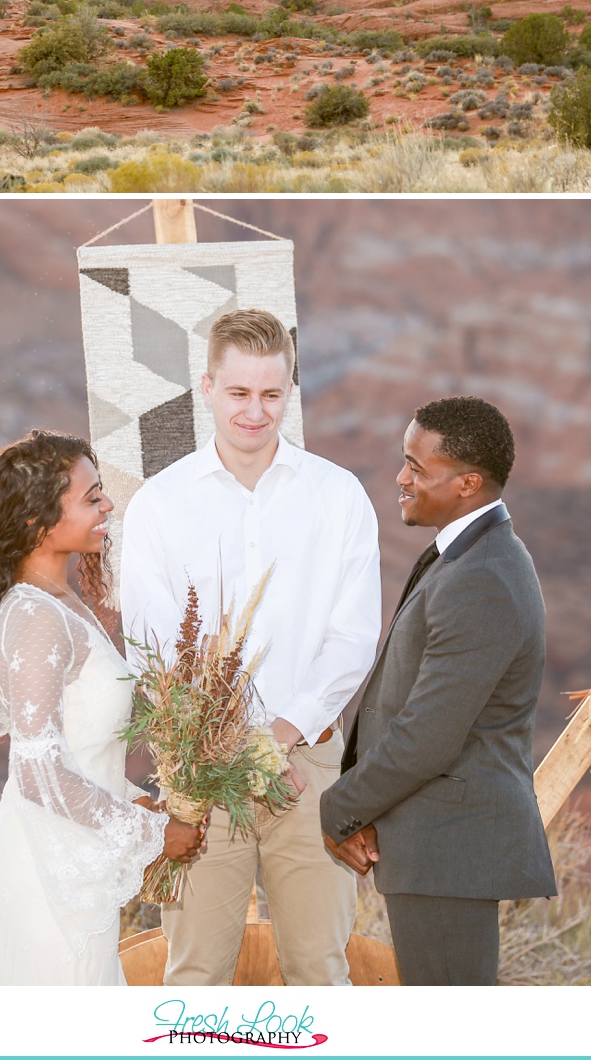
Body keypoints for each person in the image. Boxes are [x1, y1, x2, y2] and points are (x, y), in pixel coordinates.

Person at [119, 305, 381, 986]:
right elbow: (151, 646)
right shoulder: (159, 503)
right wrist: (230, 745)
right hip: (200, 774)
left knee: (320, 970)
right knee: (195, 971)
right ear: (206, 388)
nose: (254, 412)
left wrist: (281, 733)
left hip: (310, 767)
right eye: (238, 392)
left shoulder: (338, 496)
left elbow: (354, 637)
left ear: (290, 392)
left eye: (270, 394)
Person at [0, 430, 205, 985]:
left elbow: (82, 750)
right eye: (91, 497)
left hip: (73, 847)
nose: (108, 505)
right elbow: (39, 771)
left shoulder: (61, 603)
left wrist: (146, 804)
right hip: (47, 861)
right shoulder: (37, 618)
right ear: (38, 520)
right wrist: (153, 833)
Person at [319, 396, 555, 987]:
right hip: (435, 843)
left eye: (417, 468)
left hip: (449, 850)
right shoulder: (469, 556)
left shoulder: (480, 578)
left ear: (468, 483)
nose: (401, 479)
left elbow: (428, 735)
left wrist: (340, 808)